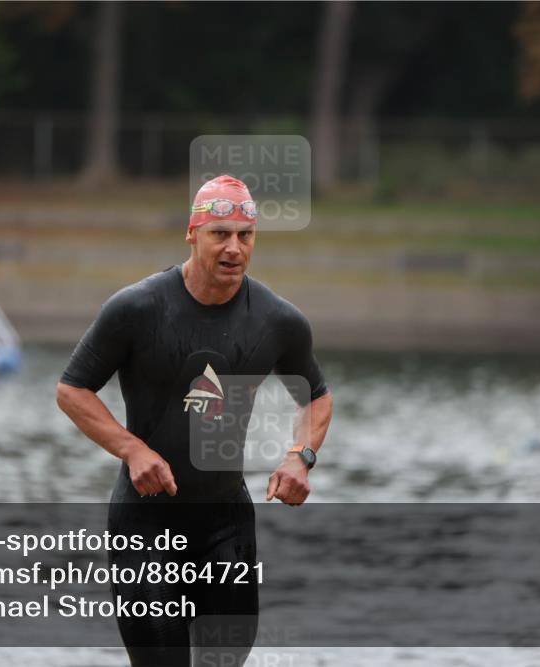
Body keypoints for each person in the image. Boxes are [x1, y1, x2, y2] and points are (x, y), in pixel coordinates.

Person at [56, 174, 333, 666]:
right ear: (192, 233)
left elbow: (316, 398)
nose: (233, 248)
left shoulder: (278, 320)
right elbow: (72, 390)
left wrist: (300, 457)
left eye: (244, 236)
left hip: (227, 525)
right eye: (219, 234)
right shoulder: (137, 309)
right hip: (145, 524)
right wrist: (132, 449)